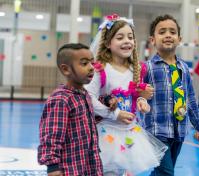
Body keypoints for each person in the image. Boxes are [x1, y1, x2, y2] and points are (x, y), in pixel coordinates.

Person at [86, 14, 167, 176]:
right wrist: (115, 114)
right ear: (108, 43)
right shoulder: (101, 69)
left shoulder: (136, 69)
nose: (127, 41)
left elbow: (137, 96)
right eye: (120, 37)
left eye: (130, 37)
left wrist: (143, 101)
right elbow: (89, 98)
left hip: (131, 134)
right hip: (106, 133)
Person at [143, 14, 199, 176]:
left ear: (179, 39)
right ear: (152, 40)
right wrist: (140, 94)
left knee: (160, 172)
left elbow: (191, 100)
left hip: (178, 131)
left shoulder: (184, 68)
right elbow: (136, 95)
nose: (167, 35)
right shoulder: (147, 68)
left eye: (172, 32)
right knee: (166, 172)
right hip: (156, 131)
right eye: (162, 32)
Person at [37, 43, 103, 176]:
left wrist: (107, 101)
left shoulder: (84, 95)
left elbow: (87, 123)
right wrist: (53, 167)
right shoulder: (61, 99)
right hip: (71, 169)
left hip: (90, 167)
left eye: (92, 63)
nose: (91, 68)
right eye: (84, 64)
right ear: (66, 69)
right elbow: (51, 135)